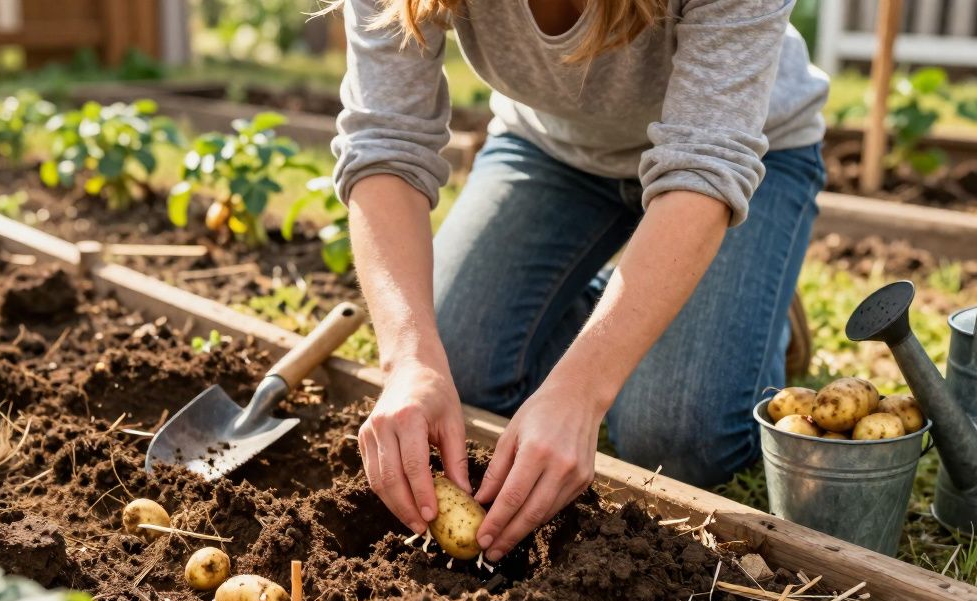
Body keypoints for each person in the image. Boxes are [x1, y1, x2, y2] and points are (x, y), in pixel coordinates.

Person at [330, 0, 829, 563]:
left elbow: (704, 165)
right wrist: (409, 359)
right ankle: (645, 300)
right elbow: (384, 142)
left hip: (737, 157)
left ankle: (743, 307)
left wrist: (582, 391)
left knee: (675, 438)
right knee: (457, 369)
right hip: (553, 151)